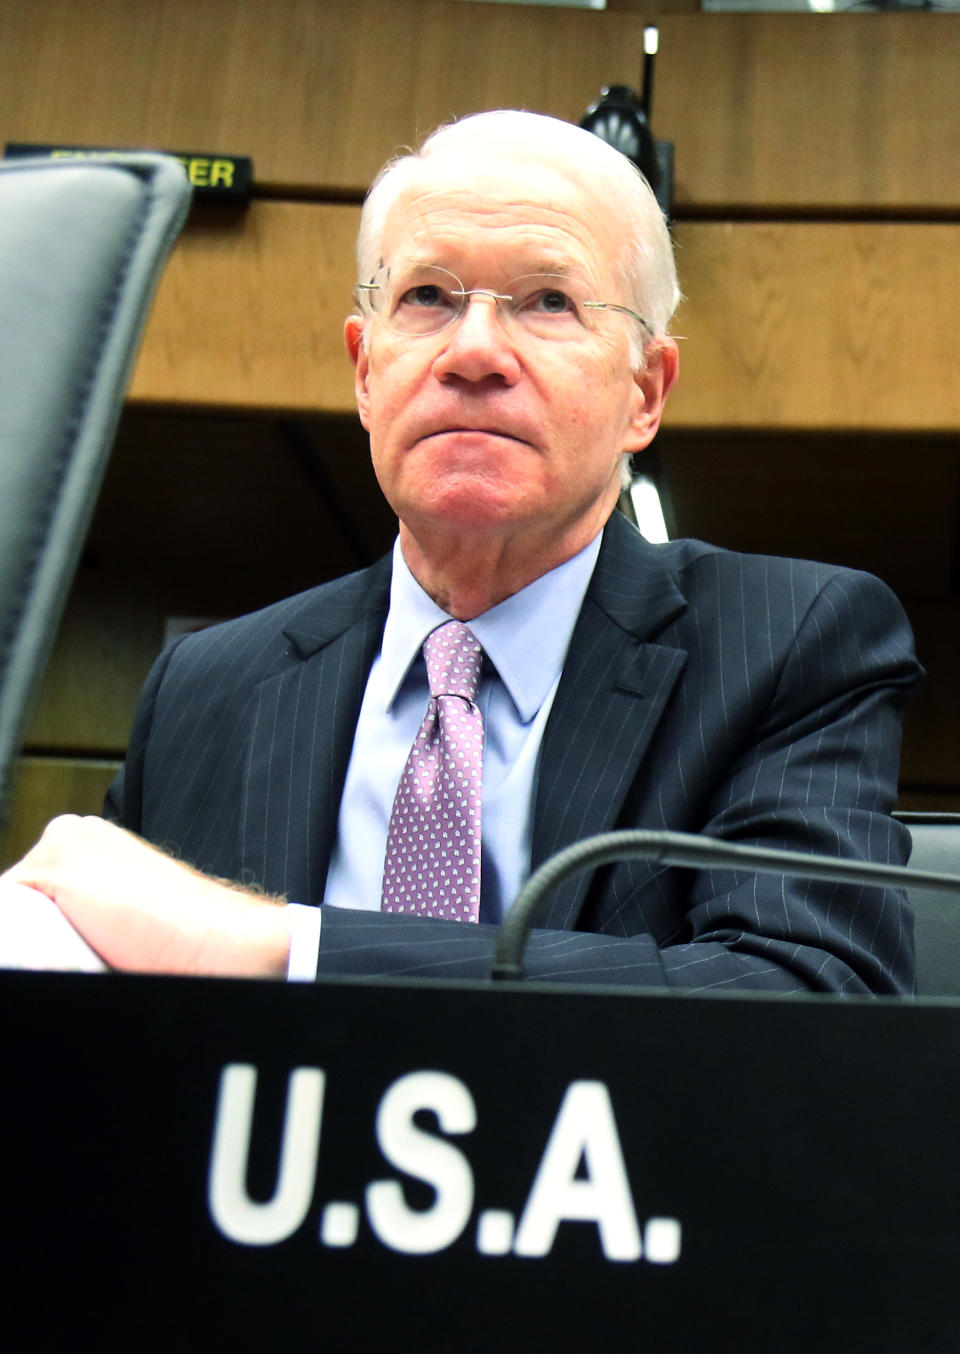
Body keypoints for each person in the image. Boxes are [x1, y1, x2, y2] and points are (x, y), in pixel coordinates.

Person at [2, 110, 921, 992]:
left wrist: (285, 949)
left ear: (646, 391)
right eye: (428, 297)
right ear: (367, 371)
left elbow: (808, 990)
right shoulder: (203, 689)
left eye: (550, 301)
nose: (472, 352)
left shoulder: (791, 644)